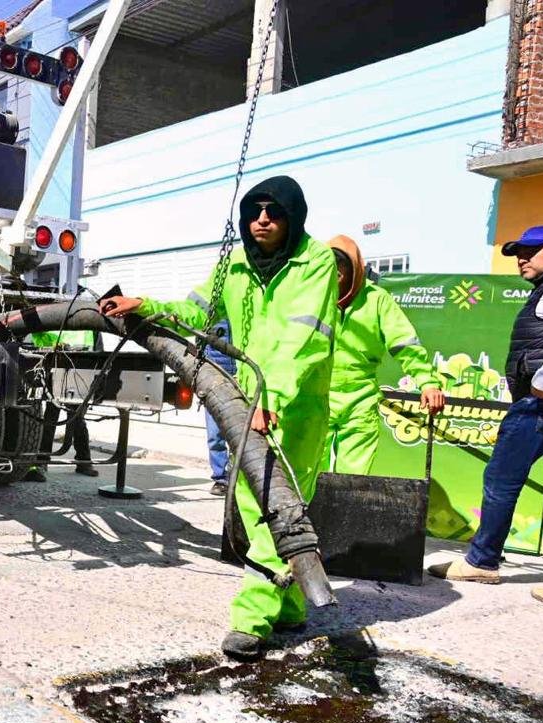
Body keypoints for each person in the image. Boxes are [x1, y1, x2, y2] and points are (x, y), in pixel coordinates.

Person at [101, 175, 338, 660]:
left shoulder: (314, 262)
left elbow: (305, 339)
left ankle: (251, 618)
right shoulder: (234, 264)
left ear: (294, 216)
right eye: (254, 211)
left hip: (295, 406)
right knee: (262, 503)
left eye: (273, 212)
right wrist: (145, 305)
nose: (262, 220)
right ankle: (288, 606)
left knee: (275, 507)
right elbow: (196, 310)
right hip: (248, 403)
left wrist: (272, 395)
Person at [430, 226, 543, 616]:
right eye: (518, 251)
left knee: (501, 479)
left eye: (532, 251)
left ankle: (481, 562)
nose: (522, 258)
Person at [324, 235, 445, 474]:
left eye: (342, 262)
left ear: (356, 266)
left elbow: (405, 344)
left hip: (360, 401)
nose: (337, 268)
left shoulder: (377, 300)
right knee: (306, 478)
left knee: (353, 481)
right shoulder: (311, 296)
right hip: (316, 398)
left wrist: (428, 384)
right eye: (330, 260)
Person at [25, 329, 98, 481]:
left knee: (75, 418)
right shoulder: (65, 316)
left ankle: (82, 461)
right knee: (53, 418)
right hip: (57, 365)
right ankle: (42, 462)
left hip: (77, 366)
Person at [203, 320, 237, 496]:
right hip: (215, 379)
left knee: (240, 434)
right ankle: (220, 478)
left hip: (241, 378)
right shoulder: (214, 313)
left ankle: (239, 477)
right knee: (215, 435)